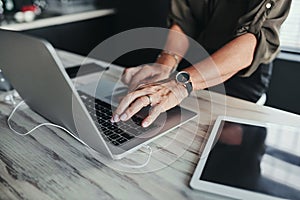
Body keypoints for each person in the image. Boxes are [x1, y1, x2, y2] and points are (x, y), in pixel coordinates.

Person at [111, 0, 292, 127]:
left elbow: (252, 41)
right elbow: (183, 20)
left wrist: (180, 83)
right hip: (193, 67)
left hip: (241, 73)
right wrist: (165, 63)